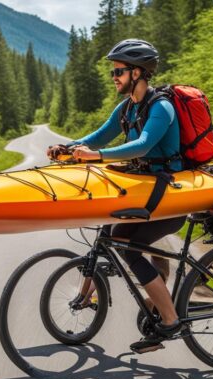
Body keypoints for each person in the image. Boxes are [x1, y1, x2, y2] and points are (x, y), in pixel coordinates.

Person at [47, 39, 186, 353]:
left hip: (169, 200)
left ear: (137, 73)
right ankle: (99, 294)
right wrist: (68, 148)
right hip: (146, 194)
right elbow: (98, 136)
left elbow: (143, 145)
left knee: (128, 249)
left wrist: (97, 157)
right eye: (114, 70)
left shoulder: (161, 107)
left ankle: (169, 318)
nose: (114, 76)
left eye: (119, 70)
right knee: (112, 234)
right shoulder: (128, 107)